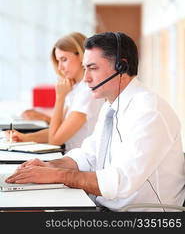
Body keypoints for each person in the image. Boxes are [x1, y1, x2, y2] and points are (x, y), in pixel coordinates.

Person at [6, 32, 185, 212]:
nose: (86, 79)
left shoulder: (150, 112)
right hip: (107, 206)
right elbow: (89, 155)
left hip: (143, 217)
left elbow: (120, 181)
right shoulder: (110, 106)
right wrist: (49, 166)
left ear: (121, 67)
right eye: (85, 69)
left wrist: (58, 175)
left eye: (93, 68)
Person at [6, 32, 104, 152]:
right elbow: (57, 129)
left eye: (64, 59)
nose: (60, 68)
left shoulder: (87, 92)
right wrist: (24, 137)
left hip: (80, 162)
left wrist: (60, 97)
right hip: (71, 157)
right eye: (58, 61)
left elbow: (55, 139)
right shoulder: (76, 88)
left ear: (81, 56)